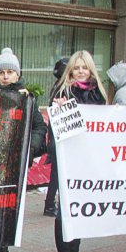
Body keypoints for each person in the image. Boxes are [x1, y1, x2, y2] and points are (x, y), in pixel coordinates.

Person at [49, 50, 107, 252]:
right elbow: (56, 128)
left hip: (87, 157)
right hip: (68, 157)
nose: (81, 71)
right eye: (77, 67)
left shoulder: (98, 94)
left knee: (79, 207)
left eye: (85, 67)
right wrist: (61, 108)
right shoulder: (63, 91)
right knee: (65, 208)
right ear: (71, 70)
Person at [0, 47, 47, 252]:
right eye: (1, 72)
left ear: (17, 73)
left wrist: (29, 147)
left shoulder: (28, 98)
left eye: (9, 72)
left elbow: (39, 128)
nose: (5, 76)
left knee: (12, 210)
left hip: (18, 162)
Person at [43, 57, 69, 217]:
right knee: (57, 175)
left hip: (55, 136)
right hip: (60, 137)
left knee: (56, 174)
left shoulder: (57, 87)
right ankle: (50, 204)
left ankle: (50, 203)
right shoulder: (62, 88)